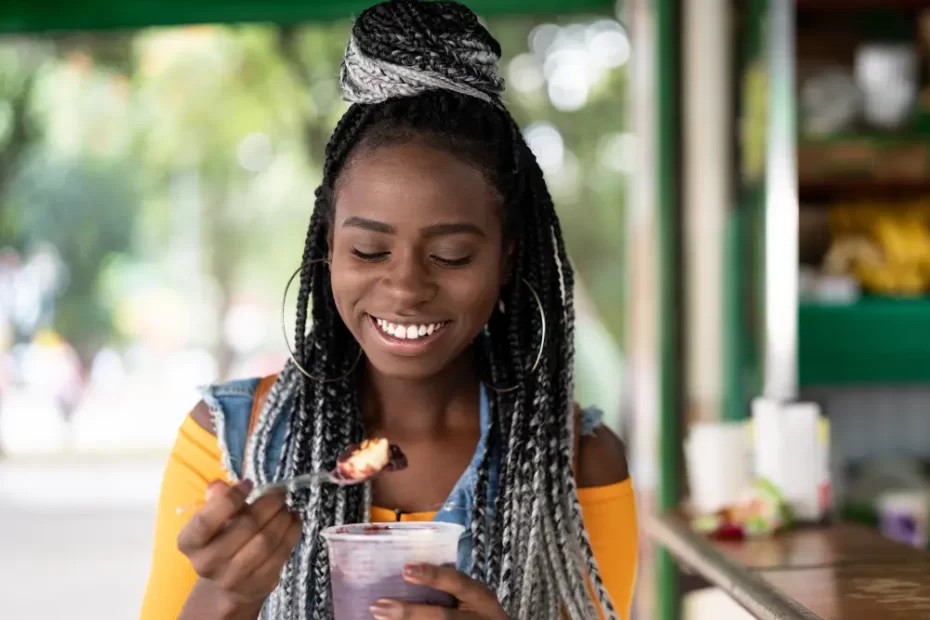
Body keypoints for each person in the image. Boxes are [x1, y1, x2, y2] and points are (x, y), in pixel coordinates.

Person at [139, 1, 637, 618]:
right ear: (328, 248)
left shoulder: (576, 462)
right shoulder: (225, 447)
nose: (405, 288)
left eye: (452, 255)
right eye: (369, 250)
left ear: (508, 258)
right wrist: (229, 591)